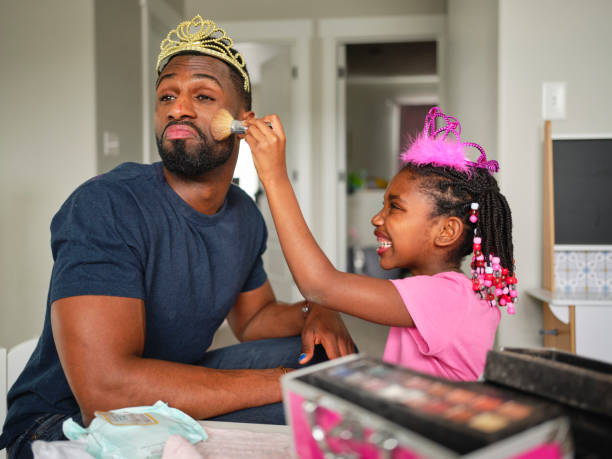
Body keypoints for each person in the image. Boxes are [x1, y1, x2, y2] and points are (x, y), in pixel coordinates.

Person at [0, 15, 355, 459]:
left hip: (165, 391)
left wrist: (317, 309)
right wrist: (281, 381)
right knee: (314, 403)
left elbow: (254, 318)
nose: (177, 108)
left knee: (328, 363)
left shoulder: (244, 213)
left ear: (244, 122)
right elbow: (105, 392)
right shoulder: (105, 205)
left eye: (202, 96)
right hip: (64, 424)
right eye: (167, 95)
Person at [244, 106, 517, 382]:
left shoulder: (447, 297)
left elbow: (319, 285)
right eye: (382, 206)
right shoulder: (441, 293)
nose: (377, 219)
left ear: (446, 231)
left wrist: (275, 177)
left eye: (395, 208)